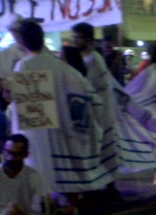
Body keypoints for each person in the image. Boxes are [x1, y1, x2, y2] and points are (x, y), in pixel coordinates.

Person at [8, 20, 108, 200]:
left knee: (40, 171)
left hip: (36, 132)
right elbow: (85, 91)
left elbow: (21, 105)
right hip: (61, 129)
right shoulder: (59, 66)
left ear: (22, 42)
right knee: (65, 174)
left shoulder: (24, 65)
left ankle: (44, 208)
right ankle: (70, 210)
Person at [71, 22, 120, 193]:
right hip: (92, 113)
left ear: (88, 39)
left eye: (78, 37)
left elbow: (92, 87)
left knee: (102, 151)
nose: (75, 40)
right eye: (74, 37)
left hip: (99, 113)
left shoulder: (94, 60)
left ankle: (108, 189)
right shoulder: (84, 59)